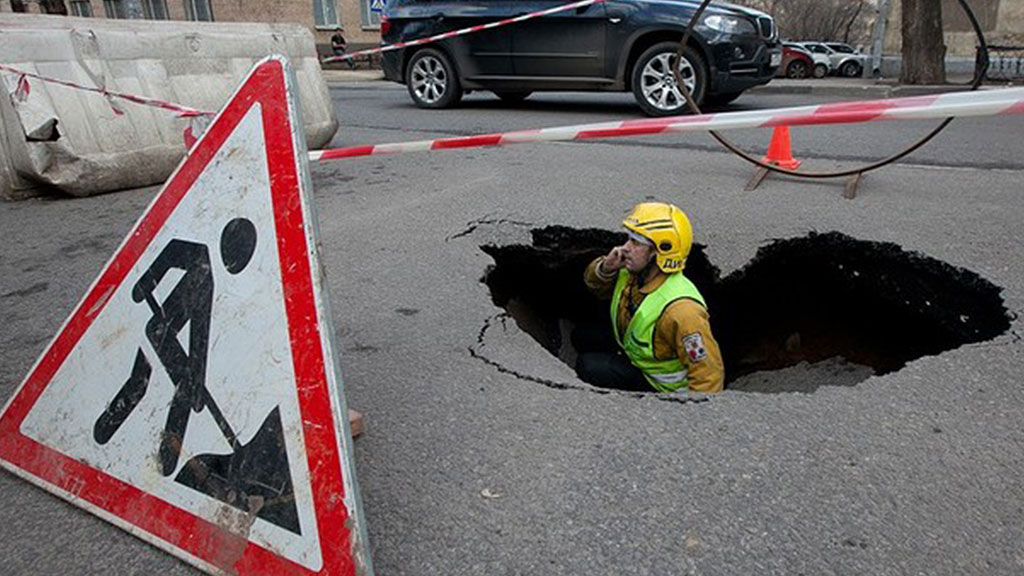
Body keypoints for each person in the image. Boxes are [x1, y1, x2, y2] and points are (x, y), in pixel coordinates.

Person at [578, 202, 723, 393]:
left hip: (659, 385)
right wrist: (606, 268)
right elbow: (596, 289)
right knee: (581, 336)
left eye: (636, 242)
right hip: (635, 353)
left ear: (658, 252)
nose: (625, 247)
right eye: (629, 238)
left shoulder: (683, 311)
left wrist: (691, 416)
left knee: (587, 365)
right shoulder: (634, 272)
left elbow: (709, 376)